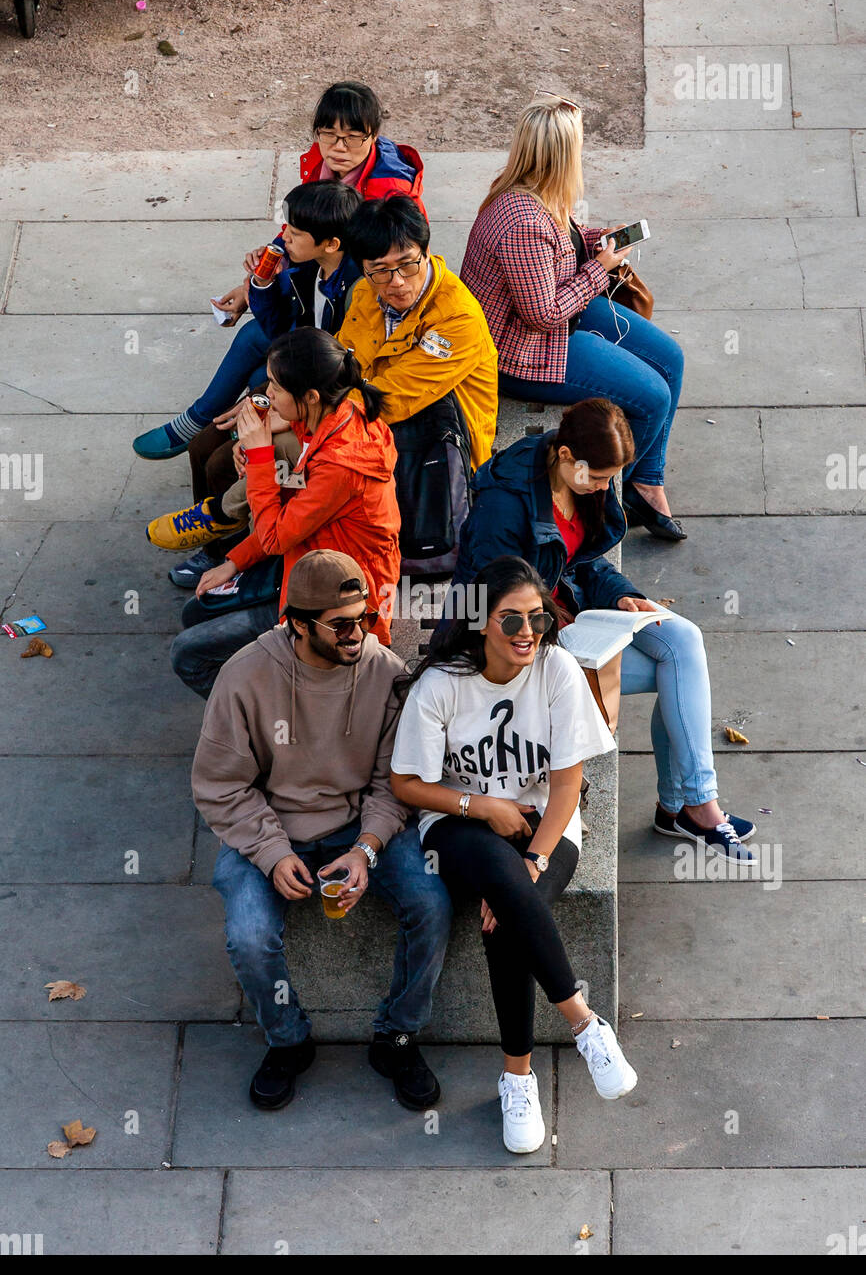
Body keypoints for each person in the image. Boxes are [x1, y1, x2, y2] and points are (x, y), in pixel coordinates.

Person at [390, 556, 635, 1156]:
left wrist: (535, 862)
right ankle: (582, 1021)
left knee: (506, 919)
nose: (528, 632)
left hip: (546, 829)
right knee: (503, 884)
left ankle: (517, 1078)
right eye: (511, 620)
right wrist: (481, 806)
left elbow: (567, 786)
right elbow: (405, 783)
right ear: (480, 624)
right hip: (456, 825)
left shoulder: (556, 671)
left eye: (538, 618)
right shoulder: (442, 685)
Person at [192, 549, 451, 1112]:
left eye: (365, 617)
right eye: (341, 624)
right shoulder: (244, 677)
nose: (359, 633)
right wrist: (270, 851)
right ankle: (288, 1042)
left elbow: (395, 779)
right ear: (297, 625)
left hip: (358, 823)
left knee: (431, 901)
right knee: (249, 936)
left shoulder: (384, 672)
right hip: (267, 825)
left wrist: (367, 846)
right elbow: (220, 785)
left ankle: (398, 1037)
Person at [448, 399, 757, 863]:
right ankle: (683, 809)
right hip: (511, 643)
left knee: (681, 639)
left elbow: (584, 563)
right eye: (596, 477)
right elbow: (495, 604)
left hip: (566, 618)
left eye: (610, 478)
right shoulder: (505, 504)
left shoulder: (581, 481)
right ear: (565, 454)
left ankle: (695, 803)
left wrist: (621, 596)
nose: (602, 488)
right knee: (675, 677)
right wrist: (557, 624)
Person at [133, 80, 424, 467]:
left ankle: (209, 426)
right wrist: (257, 282)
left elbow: (378, 305)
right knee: (256, 344)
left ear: (373, 136)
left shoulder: (385, 209)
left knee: (253, 371)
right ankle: (204, 423)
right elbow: (301, 231)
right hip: (317, 321)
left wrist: (274, 395)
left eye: (352, 137)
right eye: (328, 135)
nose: (338, 147)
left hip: (345, 351)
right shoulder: (323, 179)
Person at [460, 92, 686, 541]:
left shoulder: (535, 188)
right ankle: (609, 496)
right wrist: (599, 270)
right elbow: (544, 314)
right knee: (652, 398)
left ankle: (646, 479)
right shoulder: (520, 218)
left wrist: (599, 243)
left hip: (563, 312)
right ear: (562, 156)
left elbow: (561, 242)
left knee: (670, 359)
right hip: (525, 351)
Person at [169, 329, 401, 698]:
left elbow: (277, 536)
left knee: (187, 655)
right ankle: (268, 686)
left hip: (333, 601)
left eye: (275, 387)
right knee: (196, 611)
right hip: (305, 559)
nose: (267, 395)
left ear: (309, 396)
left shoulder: (342, 464)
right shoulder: (340, 415)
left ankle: (267, 717)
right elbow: (293, 516)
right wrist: (234, 561)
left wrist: (261, 455)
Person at [338, 194, 498, 474]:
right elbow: (342, 360)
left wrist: (310, 412)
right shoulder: (365, 292)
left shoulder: (458, 317)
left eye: (408, 264)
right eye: (380, 270)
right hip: (371, 418)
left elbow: (393, 398)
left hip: (438, 451)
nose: (397, 281)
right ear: (363, 269)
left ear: (426, 251)